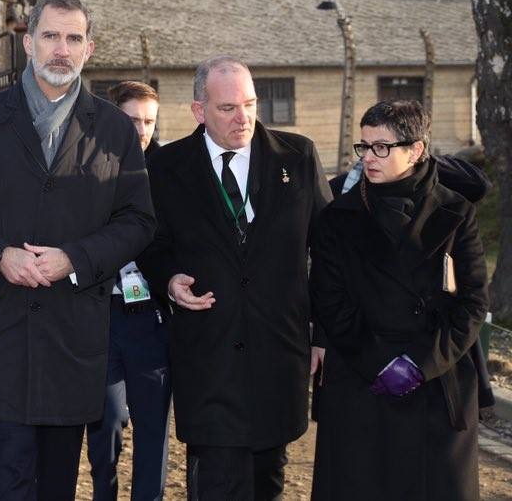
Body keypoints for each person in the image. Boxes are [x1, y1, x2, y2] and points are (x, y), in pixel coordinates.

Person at [0, 0, 156, 501]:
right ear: (27, 43)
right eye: (50, 36)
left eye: (73, 38)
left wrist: (76, 257)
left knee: (56, 484)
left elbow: (138, 220)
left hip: (72, 335)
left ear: (89, 49)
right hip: (0, 329)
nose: (61, 49)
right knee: (5, 479)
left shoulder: (115, 130)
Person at [137, 55, 331, 500]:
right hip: (208, 357)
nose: (242, 117)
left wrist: (322, 332)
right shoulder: (166, 168)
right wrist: (168, 280)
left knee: (269, 483)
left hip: (278, 357)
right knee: (216, 484)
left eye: (250, 104)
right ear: (199, 111)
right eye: (228, 108)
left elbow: (328, 250)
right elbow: (150, 242)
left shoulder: (297, 157)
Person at [310, 100, 488, 500]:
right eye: (365, 146)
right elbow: (331, 303)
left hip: (437, 381)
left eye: (382, 147)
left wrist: (420, 365)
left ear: (417, 150)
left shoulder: (456, 211)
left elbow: (473, 302)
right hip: (361, 382)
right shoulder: (338, 217)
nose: (369, 158)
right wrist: (380, 363)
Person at [87, 81, 172, 501]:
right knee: (106, 418)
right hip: (100, 313)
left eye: (149, 121)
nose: (141, 129)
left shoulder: (170, 172)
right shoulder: (85, 166)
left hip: (151, 316)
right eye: (132, 119)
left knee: (153, 423)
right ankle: (105, 492)